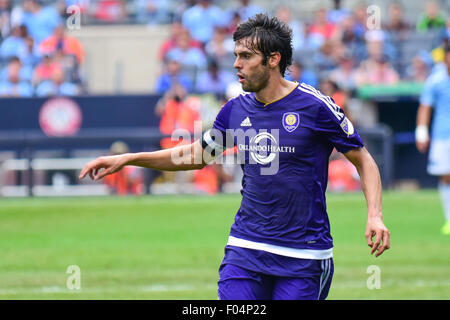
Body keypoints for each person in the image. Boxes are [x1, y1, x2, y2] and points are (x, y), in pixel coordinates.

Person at [79, 14, 390, 300]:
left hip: (303, 255)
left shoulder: (315, 106)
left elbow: (364, 160)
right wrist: (129, 158)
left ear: (273, 60)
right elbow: (196, 156)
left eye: (245, 56)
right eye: (235, 56)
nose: (236, 64)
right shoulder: (234, 110)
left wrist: (374, 214)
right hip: (246, 247)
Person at [415, 45, 450, 235]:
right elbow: (425, 106)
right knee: (446, 176)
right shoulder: (436, 79)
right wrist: (421, 131)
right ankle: (449, 219)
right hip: (443, 135)